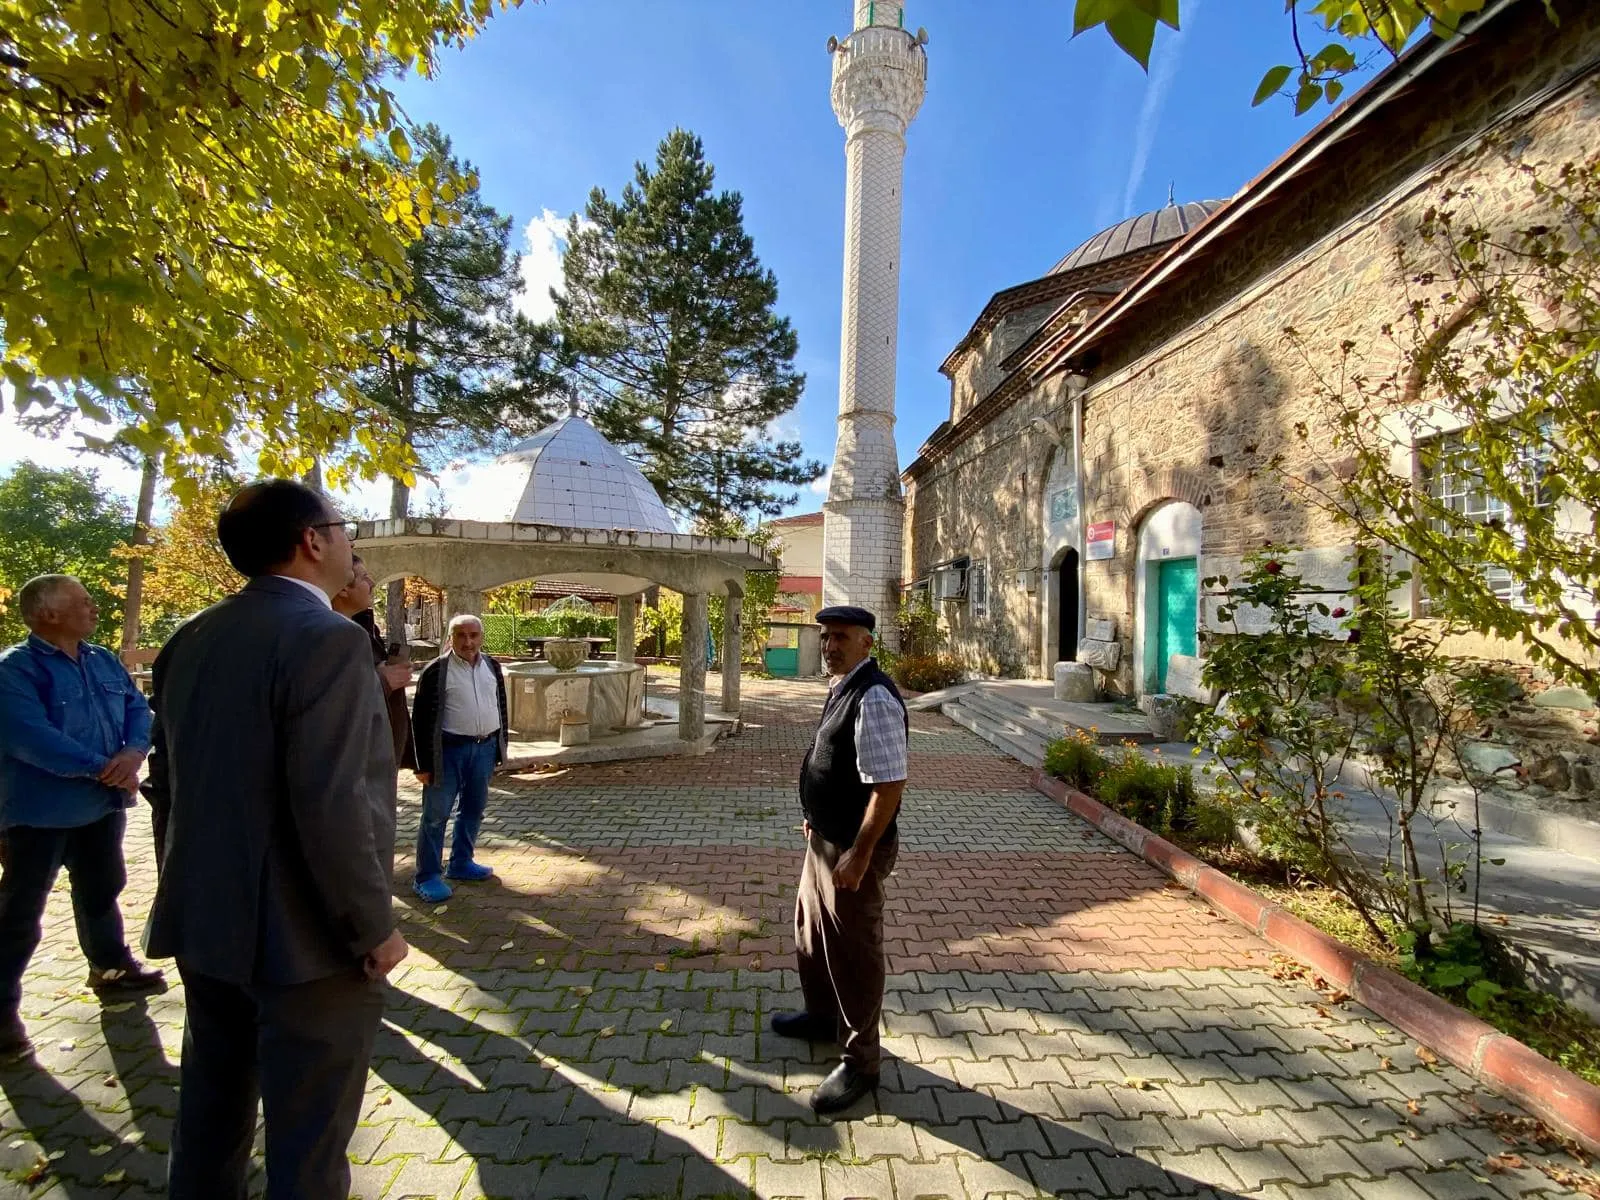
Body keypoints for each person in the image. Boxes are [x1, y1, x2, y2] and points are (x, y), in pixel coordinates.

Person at [142, 479, 408, 1199]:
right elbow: (335, 804)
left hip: (205, 926)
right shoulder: (326, 640)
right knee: (309, 1145)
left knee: (209, 1117)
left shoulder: (190, 637)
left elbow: (166, 787)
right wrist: (371, 926)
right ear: (313, 540)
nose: (351, 544)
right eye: (343, 528)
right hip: (306, 945)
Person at [0, 575, 165, 1053]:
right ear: (48, 613)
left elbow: (139, 709)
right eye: (83, 602)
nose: (94, 607)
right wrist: (103, 769)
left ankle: (111, 968)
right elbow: (29, 737)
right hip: (38, 813)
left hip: (100, 807)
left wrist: (134, 753)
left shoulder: (102, 660)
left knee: (101, 890)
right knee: (19, 912)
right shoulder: (16, 670)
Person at [771, 604, 908, 1115]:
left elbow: (888, 786)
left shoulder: (873, 697)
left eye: (842, 637)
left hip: (853, 851)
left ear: (867, 642)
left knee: (854, 953)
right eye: (825, 636)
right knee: (811, 931)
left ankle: (861, 1063)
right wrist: (814, 811)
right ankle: (821, 1017)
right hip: (825, 840)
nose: (830, 645)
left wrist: (858, 854)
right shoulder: (843, 685)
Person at [409, 614, 507, 903]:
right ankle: (426, 876)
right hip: (447, 752)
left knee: (473, 809)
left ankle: (461, 863)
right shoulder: (436, 671)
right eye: (461, 635)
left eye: (474, 635)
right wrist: (422, 764)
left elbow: (500, 706)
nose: (468, 642)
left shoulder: (492, 666)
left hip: (484, 749)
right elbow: (421, 720)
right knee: (436, 815)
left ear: (481, 637)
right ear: (450, 638)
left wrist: (501, 748)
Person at [332, 554, 416, 771]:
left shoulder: (366, 627)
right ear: (343, 589)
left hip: (379, 760)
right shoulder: (327, 636)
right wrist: (382, 680)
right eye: (364, 577)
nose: (371, 584)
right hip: (355, 765)